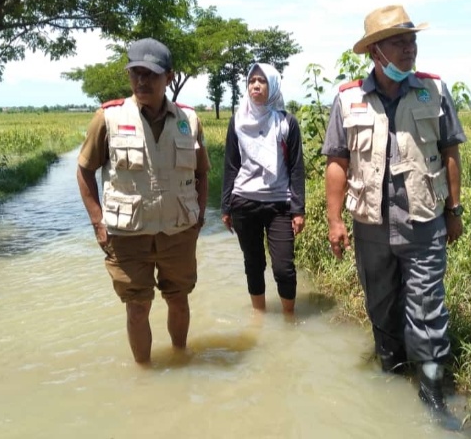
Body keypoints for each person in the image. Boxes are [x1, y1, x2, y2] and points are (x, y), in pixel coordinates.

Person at [322, 5, 466, 430]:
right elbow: (336, 161)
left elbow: (450, 152)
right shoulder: (349, 99)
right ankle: (390, 373)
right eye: (399, 42)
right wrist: (335, 221)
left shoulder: (433, 92)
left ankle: (432, 392)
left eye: (412, 40)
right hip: (370, 224)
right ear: (375, 52)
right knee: (381, 304)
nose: (410, 48)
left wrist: (454, 211)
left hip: (423, 220)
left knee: (427, 307)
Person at [77, 38, 210, 364]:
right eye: (136, 73)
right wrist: (98, 222)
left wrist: (199, 219)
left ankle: (181, 358)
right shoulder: (107, 119)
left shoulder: (188, 120)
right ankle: (144, 373)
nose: (142, 81)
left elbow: (202, 174)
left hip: (178, 233)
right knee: (137, 307)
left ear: (169, 77)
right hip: (126, 235)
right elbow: (84, 171)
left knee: (178, 299)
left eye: (151, 74)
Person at [221, 63, 305, 314]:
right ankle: (259, 317)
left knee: (283, 267)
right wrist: (226, 206)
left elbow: (296, 168)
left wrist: (298, 210)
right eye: (251, 81)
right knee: (253, 264)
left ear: (273, 85)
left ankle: (289, 317)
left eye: (262, 81)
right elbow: (230, 165)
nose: (256, 85)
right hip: (243, 203)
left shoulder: (286, 122)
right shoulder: (237, 121)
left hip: (280, 204)